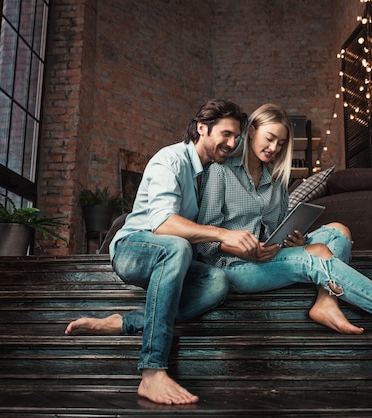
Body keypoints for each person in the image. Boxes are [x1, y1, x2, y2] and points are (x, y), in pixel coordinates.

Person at [197, 103, 372, 337]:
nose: (274, 147)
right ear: (252, 131)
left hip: (271, 255)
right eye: (269, 138)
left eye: (281, 143)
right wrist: (244, 248)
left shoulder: (277, 182)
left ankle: (326, 300)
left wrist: (295, 239)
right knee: (316, 255)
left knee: (337, 231)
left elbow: (280, 230)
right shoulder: (219, 173)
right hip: (236, 267)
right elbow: (206, 244)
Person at [65, 99, 260, 405]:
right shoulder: (170, 160)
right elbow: (164, 224)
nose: (232, 143)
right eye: (226, 134)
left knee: (217, 281)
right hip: (134, 248)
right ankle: (152, 371)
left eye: (237, 137)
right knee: (177, 246)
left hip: (175, 256)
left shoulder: (209, 174)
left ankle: (125, 322)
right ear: (201, 128)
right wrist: (225, 234)